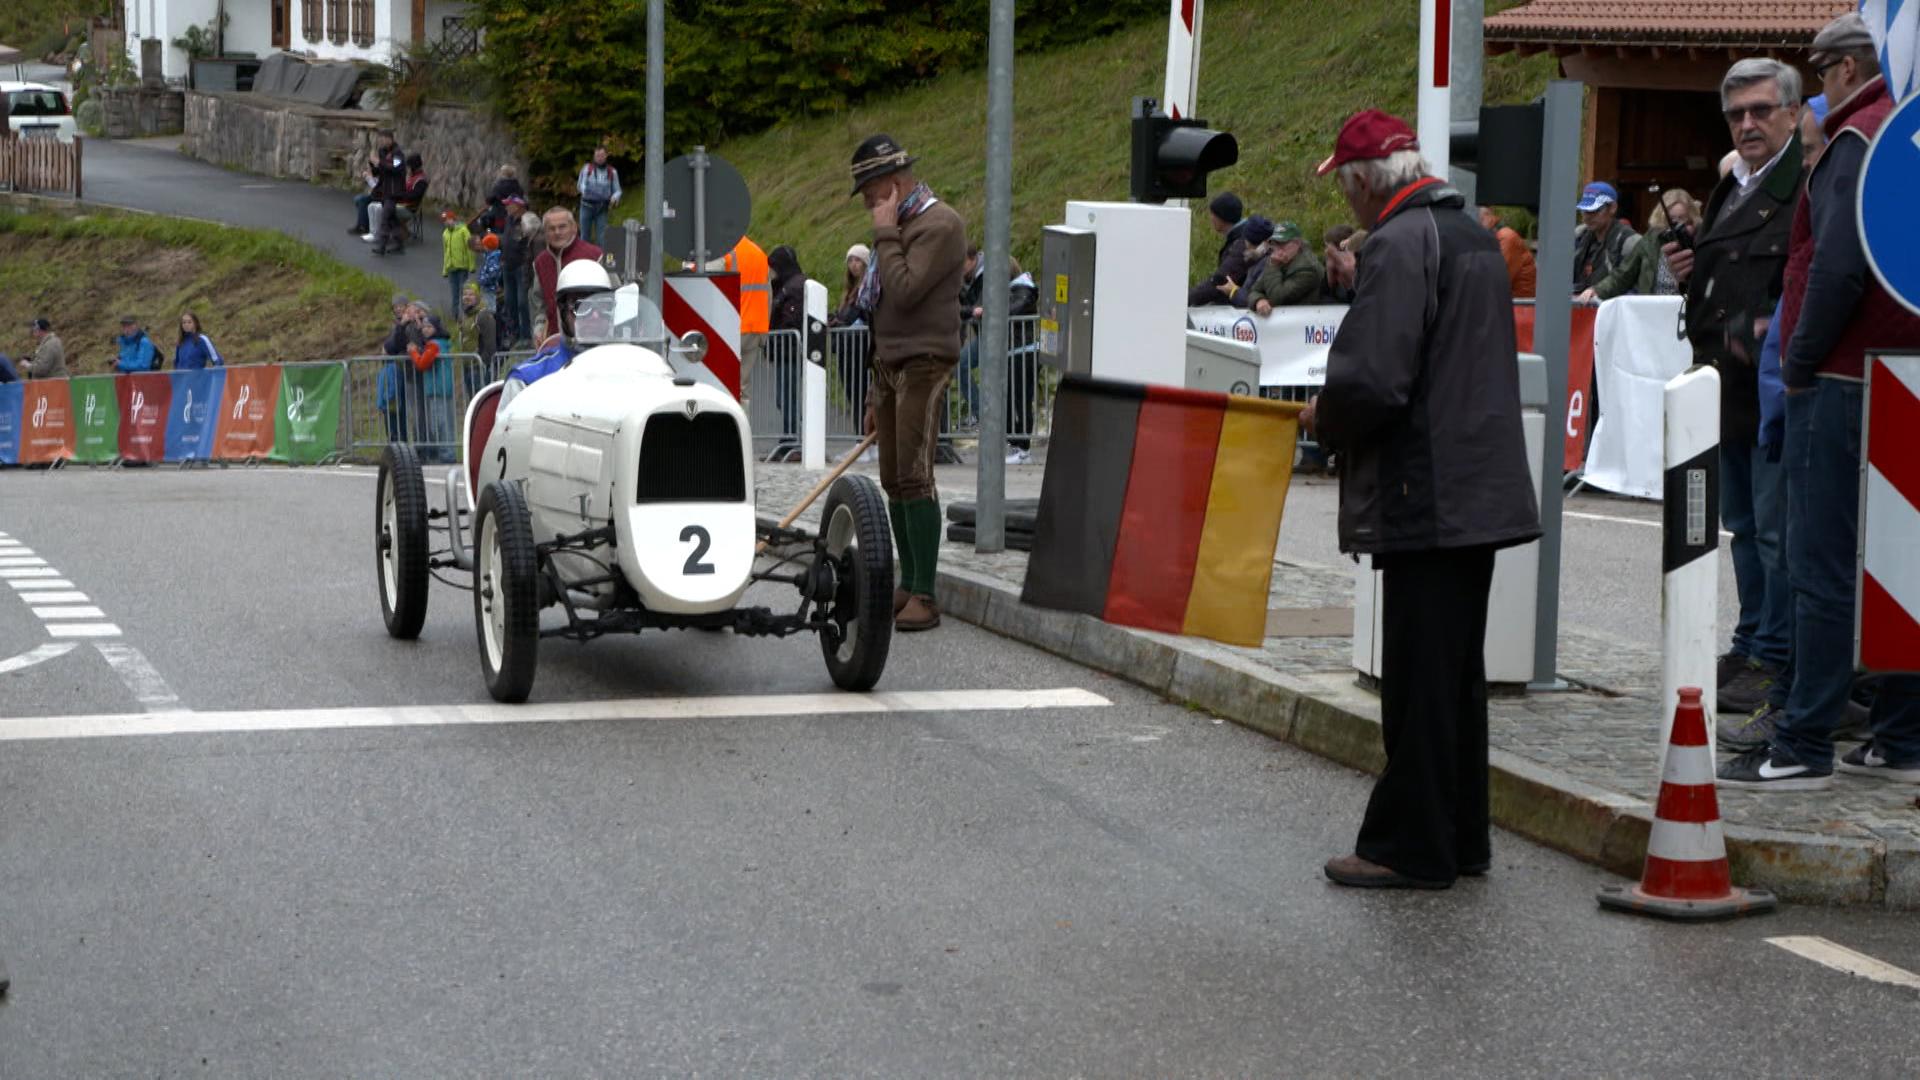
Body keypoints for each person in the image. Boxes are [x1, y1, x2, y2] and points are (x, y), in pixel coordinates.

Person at [1302, 109, 1541, 889]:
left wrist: (1321, 416)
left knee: (1418, 681)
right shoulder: (1468, 232)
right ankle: (1459, 836)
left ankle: (1408, 845)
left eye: (1347, 190)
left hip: (1427, 489)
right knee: (1453, 680)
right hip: (1473, 486)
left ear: (1367, 183)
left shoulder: (1400, 243)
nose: (1349, 207)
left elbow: (1374, 378)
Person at [1719, 15, 1920, 788]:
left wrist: (1798, 361)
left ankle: (1802, 739)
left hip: (1838, 375)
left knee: (1819, 562)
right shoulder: (1907, 134)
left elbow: (1834, 266)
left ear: (1840, 70)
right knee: (1902, 564)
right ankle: (1902, 736)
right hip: (1902, 370)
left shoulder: (1855, 140)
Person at [1666, 56, 1804, 719]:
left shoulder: (1802, 185)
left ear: (1792, 114)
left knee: (1776, 533)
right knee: (1744, 528)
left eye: (1760, 111)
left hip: (1775, 388)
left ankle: (1775, 655)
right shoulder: (1732, 188)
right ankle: (1753, 641)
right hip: (1723, 387)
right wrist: (1690, 269)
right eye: (1737, 114)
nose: (1748, 124)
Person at [849, 132, 967, 632]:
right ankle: (909, 578)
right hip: (892, 363)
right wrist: (876, 392)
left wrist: (883, 232)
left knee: (916, 474)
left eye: (873, 195)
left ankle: (926, 592)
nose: (870, 206)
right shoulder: (900, 226)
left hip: (924, 360)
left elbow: (904, 289)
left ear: (893, 185)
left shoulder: (940, 224)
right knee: (894, 476)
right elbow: (880, 312)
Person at [500, 260, 617, 407]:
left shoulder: (627, 374)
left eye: (603, 305)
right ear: (562, 311)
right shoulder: (525, 380)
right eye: (581, 306)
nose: (595, 315)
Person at [1579, 188, 1700, 302]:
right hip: (1652, 310)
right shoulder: (1650, 241)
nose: (1676, 226)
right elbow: (1624, 274)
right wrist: (1597, 290)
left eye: (1682, 219)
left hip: (1687, 311)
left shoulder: (1700, 242)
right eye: (1671, 219)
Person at [529, 207, 604, 343]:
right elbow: (538, 303)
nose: (557, 232)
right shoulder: (540, 263)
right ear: (545, 232)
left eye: (562, 227)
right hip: (556, 344)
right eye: (551, 228)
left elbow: (612, 299)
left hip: (592, 341)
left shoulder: (595, 256)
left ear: (574, 228)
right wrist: (539, 328)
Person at [767, 244, 807, 452]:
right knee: (785, 398)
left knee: (788, 397)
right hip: (785, 351)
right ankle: (790, 437)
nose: (770, 271)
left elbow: (792, 320)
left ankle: (793, 439)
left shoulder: (794, 287)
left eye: (772, 266)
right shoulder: (787, 285)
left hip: (789, 351)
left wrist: (777, 338)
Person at [723, 236, 772, 401]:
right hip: (756, 328)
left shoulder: (724, 251)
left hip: (733, 329)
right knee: (742, 388)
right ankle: (744, 425)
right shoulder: (759, 253)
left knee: (724, 386)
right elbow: (768, 296)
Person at [1570, 181, 1638, 292]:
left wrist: (1599, 292)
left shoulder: (1629, 242)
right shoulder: (1578, 236)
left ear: (1612, 208)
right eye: (1584, 210)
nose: (1587, 216)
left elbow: (1635, 288)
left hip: (1612, 306)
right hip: (1580, 304)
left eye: (1595, 210)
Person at [1187, 192, 1253, 306]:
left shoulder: (1241, 244)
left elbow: (1220, 281)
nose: (1211, 218)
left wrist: (1187, 299)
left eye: (1213, 214)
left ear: (1222, 217)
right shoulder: (1240, 238)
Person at [1246, 221, 1323, 315]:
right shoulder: (1279, 259)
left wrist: (1274, 266)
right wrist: (1259, 300)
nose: (1277, 249)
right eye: (1274, 244)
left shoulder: (1308, 268)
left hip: (1303, 322)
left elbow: (1277, 298)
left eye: (1282, 244)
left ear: (1297, 243)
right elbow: (1254, 290)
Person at [361, 131, 407, 253]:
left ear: (390, 139)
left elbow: (396, 168)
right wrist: (373, 165)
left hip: (394, 191)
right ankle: (399, 243)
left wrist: (380, 163)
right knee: (392, 219)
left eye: (383, 139)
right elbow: (381, 171)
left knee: (385, 217)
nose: (381, 142)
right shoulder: (382, 152)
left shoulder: (398, 154)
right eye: (380, 140)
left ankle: (382, 245)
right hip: (384, 190)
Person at [1478, 207, 1536, 299]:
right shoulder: (1494, 238)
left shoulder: (1506, 237)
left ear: (1489, 214)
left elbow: (1497, 281)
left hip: (1521, 305)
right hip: (1510, 302)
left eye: (1479, 218)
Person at [576, 146, 623, 249]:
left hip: (602, 208)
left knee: (602, 238)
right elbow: (580, 186)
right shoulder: (586, 169)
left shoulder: (612, 172)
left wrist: (615, 197)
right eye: (597, 156)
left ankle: (601, 260)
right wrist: (589, 192)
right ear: (594, 156)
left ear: (606, 156)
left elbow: (618, 190)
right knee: (584, 236)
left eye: (602, 155)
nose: (600, 158)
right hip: (586, 206)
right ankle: (584, 260)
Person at [457, 281, 499, 392]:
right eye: (465, 294)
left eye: (471, 294)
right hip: (467, 365)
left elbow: (490, 345)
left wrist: (482, 362)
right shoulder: (464, 316)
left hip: (479, 367)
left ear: (477, 296)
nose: (467, 297)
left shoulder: (484, 315)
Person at [441, 209, 476, 319]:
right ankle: (455, 317)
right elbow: (445, 252)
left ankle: (466, 315)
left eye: (448, 220)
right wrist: (445, 269)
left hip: (462, 267)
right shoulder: (445, 234)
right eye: (444, 221)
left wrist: (472, 265)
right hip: (451, 267)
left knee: (464, 292)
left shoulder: (463, 231)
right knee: (454, 293)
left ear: (453, 219)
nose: (446, 223)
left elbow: (470, 248)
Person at [1322, 225, 1361, 304]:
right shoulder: (1329, 266)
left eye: (1328, 247)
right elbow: (1323, 297)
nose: (1325, 251)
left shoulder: (1358, 269)